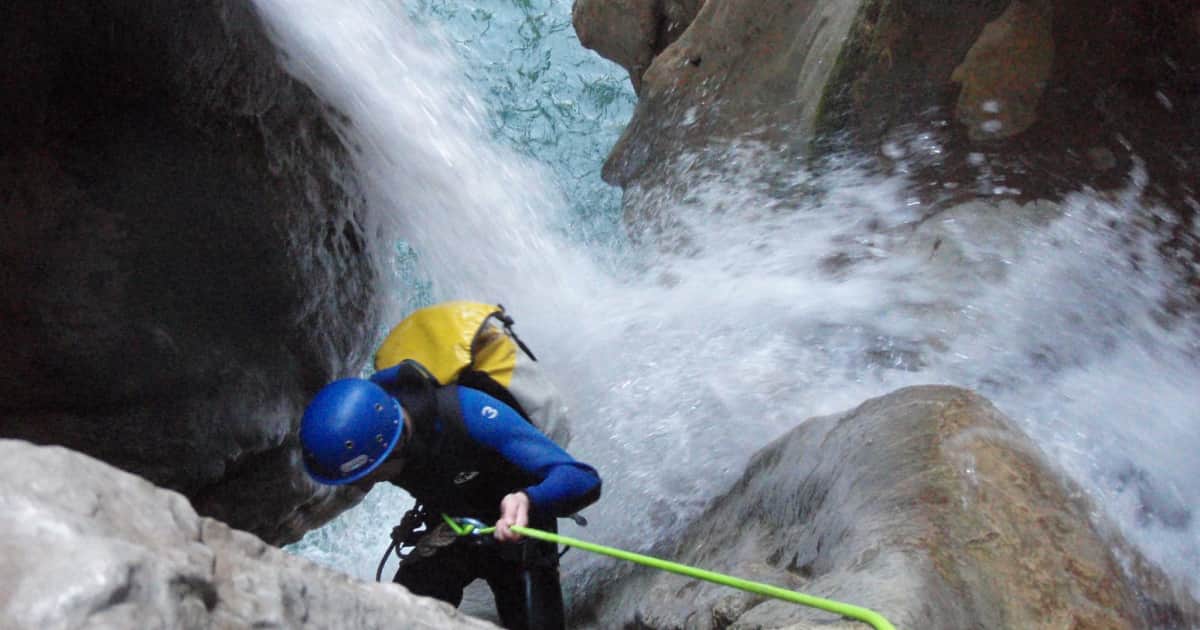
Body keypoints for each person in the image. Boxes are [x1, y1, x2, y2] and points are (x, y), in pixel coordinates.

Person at [298, 363, 601, 630]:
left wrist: (528, 499)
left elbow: (582, 478)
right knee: (400, 614)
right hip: (456, 526)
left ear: (393, 447)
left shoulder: (469, 413)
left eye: (368, 474)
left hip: (521, 527)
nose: (363, 485)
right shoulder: (380, 433)